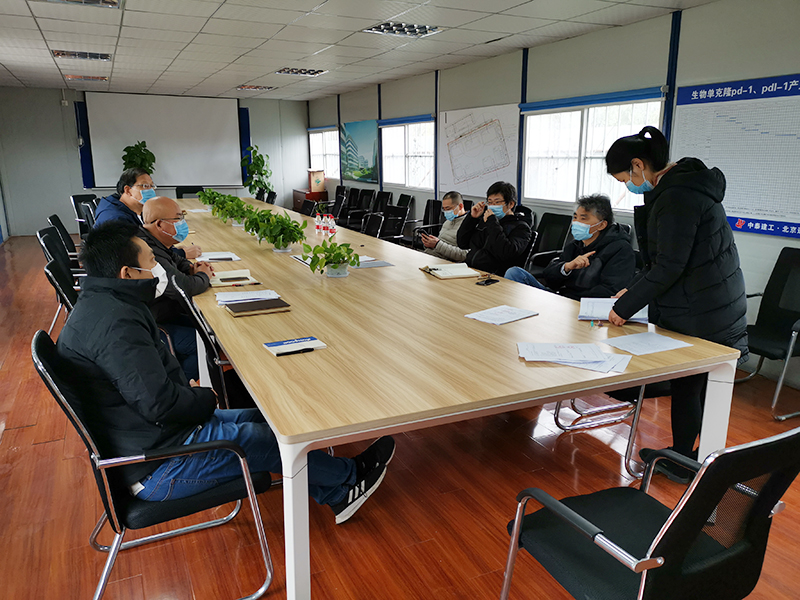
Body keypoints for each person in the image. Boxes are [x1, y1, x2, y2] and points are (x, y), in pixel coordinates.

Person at [56, 221, 394, 524]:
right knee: (262, 440)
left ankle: (335, 491)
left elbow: (147, 389)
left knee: (270, 420)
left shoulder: (106, 305)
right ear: (127, 274)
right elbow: (159, 403)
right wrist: (204, 397)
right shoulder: (115, 324)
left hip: (155, 436)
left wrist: (187, 393)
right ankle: (349, 479)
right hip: (157, 465)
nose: (158, 267)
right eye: (150, 261)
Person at [605, 125, 748, 483]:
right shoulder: (680, 187)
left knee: (690, 383)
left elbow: (669, 266)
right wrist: (631, 291)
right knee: (692, 384)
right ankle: (685, 456)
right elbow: (661, 260)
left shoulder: (677, 196)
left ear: (638, 165)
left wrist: (623, 309)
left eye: (625, 178)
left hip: (704, 307)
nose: (628, 185)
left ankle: (689, 461)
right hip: (708, 300)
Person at [504, 194, 635, 299]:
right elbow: (549, 278)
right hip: (560, 298)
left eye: (583, 219)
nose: (576, 223)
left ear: (601, 225)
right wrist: (567, 267)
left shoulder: (621, 250)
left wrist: (570, 299)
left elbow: (611, 290)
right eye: (575, 217)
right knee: (515, 273)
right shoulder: (575, 244)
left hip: (583, 305)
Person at [138, 196, 213, 381]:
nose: (182, 224)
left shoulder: (154, 241)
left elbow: (177, 261)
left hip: (164, 312)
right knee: (204, 344)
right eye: (178, 219)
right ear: (159, 225)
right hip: (151, 323)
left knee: (212, 331)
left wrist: (191, 268)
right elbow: (183, 287)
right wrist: (203, 276)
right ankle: (184, 387)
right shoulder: (146, 248)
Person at [95, 168, 201, 258]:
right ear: (127, 190)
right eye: (145, 186)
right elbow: (136, 255)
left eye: (152, 186)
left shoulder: (131, 209)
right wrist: (181, 254)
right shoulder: (116, 219)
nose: (151, 190)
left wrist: (170, 249)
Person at [456, 181, 531, 275]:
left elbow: (505, 253)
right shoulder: (486, 221)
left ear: (511, 204)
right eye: (490, 202)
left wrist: (492, 222)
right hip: (471, 269)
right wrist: (472, 218)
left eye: (497, 202)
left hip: (495, 275)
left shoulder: (521, 227)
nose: (492, 206)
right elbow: (462, 243)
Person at [421, 191, 469, 262]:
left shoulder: (469, 225)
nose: (446, 212)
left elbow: (464, 255)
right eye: (444, 209)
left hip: (446, 261)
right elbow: (440, 243)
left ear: (460, 206)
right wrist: (428, 243)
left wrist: (437, 244)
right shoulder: (448, 221)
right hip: (432, 256)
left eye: (448, 209)